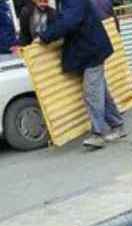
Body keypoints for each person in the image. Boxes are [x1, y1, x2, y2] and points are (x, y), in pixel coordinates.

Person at [39, 0, 125, 149]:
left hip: (91, 50)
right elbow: (66, 20)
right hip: (89, 49)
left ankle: (97, 134)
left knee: (92, 93)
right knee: (99, 91)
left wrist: (46, 36)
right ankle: (117, 125)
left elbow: (69, 21)